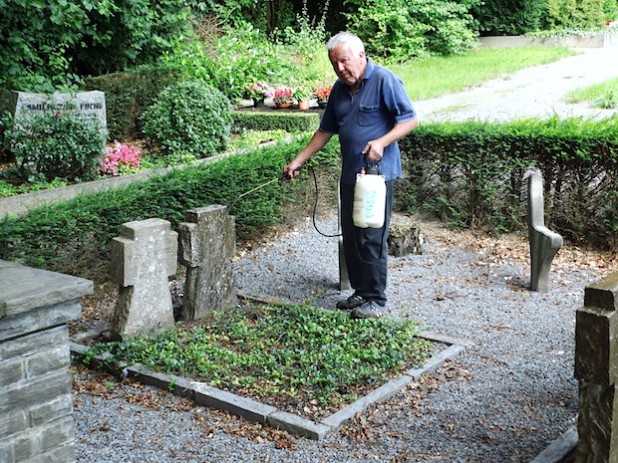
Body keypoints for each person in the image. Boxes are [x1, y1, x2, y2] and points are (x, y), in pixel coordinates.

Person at [283, 31, 418, 319]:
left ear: (361, 55)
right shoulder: (338, 89)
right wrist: (298, 160)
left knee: (371, 235)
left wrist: (382, 142)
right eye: (335, 64)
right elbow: (325, 131)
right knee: (354, 234)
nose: (341, 69)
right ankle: (360, 291)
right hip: (351, 176)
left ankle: (376, 299)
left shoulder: (384, 80)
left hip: (376, 178)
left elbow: (410, 119)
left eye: (345, 61)